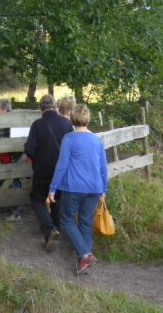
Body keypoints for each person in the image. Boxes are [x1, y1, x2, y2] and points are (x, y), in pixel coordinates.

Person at [48, 104, 108, 274]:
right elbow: (103, 167)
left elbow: (62, 166)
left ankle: (85, 254)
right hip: (94, 187)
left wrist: (53, 188)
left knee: (66, 219)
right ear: (88, 119)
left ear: (73, 119)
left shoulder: (69, 138)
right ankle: (85, 262)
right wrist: (104, 187)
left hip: (74, 187)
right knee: (85, 223)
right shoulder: (97, 140)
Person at [24, 95, 73, 252]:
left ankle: (50, 230)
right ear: (56, 107)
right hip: (62, 171)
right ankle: (53, 232)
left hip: (42, 170)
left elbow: (29, 150)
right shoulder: (67, 123)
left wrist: (37, 155)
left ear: (40, 108)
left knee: (37, 198)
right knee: (57, 200)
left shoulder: (37, 125)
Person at [0, 97, 22, 222]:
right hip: (6, 155)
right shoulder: (2, 120)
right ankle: (13, 203)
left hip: (14, 156)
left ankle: (16, 211)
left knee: (14, 180)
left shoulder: (12, 121)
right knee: (1, 179)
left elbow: (16, 141)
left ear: (5, 110)